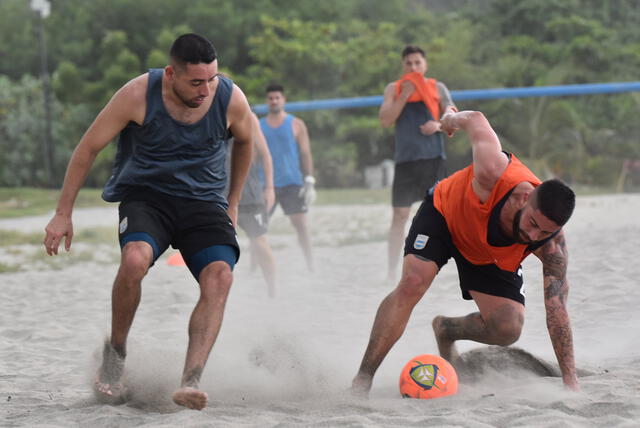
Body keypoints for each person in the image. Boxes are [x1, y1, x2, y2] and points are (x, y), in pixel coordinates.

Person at [43, 33, 254, 410]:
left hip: (203, 203)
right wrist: (63, 213)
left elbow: (246, 141)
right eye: (196, 82)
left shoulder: (230, 97)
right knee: (135, 260)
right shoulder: (138, 95)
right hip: (148, 198)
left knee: (221, 275)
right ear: (172, 73)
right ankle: (116, 356)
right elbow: (88, 147)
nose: (206, 89)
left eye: (212, 79)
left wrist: (233, 201)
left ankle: (190, 381)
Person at [352, 109, 579, 395]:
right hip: (445, 215)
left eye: (544, 232)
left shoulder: (552, 245)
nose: (534, 236)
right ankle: (363, 379)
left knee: (508, 327)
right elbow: (477, 120)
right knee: (412, 283)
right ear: (524, 197)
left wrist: (571, 384)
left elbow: (557, 312)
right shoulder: (492, 171)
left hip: (484, 252)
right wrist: (449, 119)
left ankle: (447, 329)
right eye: (533, 223)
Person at [379, 45, 457, 281]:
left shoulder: (437, 87)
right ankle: (392, 271)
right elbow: (385, 119)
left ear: (425, 65)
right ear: (402, 66)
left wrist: (439, 125)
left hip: (433, 160)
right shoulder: (394, 88)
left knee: (443, 216)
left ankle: (444, 266)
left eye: (417, 63)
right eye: (408, 63)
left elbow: (453, 117)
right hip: (406, 162)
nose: (413, 67)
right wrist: (404, 95)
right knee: (399, 216)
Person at [259, 84, 315, 271]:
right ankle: (254, 267)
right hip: (267, 184)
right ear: (267, 101)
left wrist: (309, 180)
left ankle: (310, 263)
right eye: (271, 98)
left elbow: (305, 153)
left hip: (292, 182)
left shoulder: (296, 124)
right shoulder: (259, 125)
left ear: (283, 99)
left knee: (301, 225)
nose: (274, 101)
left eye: (277, 97)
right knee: (258, 228)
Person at [231, 112, 278, 297]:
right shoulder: (202, 112)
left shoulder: (247, 116)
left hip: (248, 194)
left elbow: (266, 155)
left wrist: (270, 188)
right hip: (219, 194)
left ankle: (272, 289)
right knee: (219, 245)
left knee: (259, 241)